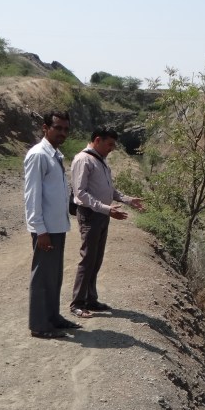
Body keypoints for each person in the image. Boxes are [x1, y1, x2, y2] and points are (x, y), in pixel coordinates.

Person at [69, 128, 144, 317]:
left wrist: (127, 199)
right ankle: (77, 304)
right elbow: (81, 193)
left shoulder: (100, 161)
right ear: (97, 140)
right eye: (109, 144)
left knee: (96, 259)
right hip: (90, 214)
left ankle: (90, 300)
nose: (112, 149)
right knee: (88, 259)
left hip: (101, 214)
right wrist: (106, 209)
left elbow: (110, 190)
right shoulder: (83, 160)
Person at [23, 109, 78, 338]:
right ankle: (39, 325)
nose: (62, 133)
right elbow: (32, 195)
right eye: (57, 128)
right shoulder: (38, 155)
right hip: (46, 229)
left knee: (54, 276)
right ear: (45, 128)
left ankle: (53, 317)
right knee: (42, 276)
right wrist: (40, 230)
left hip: (57, 226)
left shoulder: (55, 154)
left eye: (65, 129)